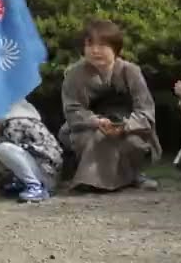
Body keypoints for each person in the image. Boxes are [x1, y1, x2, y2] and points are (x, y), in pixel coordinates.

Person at [59, 19, 162, 191]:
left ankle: (130, 176)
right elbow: (72, 109)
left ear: (115, 48)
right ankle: (100, 180)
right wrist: (96, 121)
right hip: (88, 126)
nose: (95, 51)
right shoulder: (74, 74)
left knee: (131, 142)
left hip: (128, 125)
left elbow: (145, 110)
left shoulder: (131, 72)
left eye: (103, 45)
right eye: (90, 45)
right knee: (93, 138)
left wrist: (124, 126)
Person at [0, 98, 63, 202]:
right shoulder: (24, 119)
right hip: (49, 172)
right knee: (4, 149)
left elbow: (13, 157)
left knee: (4, 149)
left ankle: (36, 187)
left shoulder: (14, 124)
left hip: (46, 172)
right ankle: (33, 185)